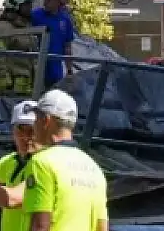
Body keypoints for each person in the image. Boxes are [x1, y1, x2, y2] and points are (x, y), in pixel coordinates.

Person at [23, 89, 108, 231]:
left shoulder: (42, 162)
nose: (34, 126)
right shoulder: (94, 168)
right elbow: (102, 227)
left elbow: (40, 225)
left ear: (46, 121)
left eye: (36, 119)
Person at [0, 0, 40, 98]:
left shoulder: (25, 28)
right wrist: (5, 83)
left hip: (25, 89)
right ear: (16, 5)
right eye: (26, 4)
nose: (30, 7)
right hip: (8, 91)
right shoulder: (3, 28)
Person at [31, 0, 76, 89]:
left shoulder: (65, 20)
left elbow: (67, 47)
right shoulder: (35, 16)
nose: (45, 2)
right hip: (37, 69)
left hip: (56, 71)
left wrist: (70, 71)